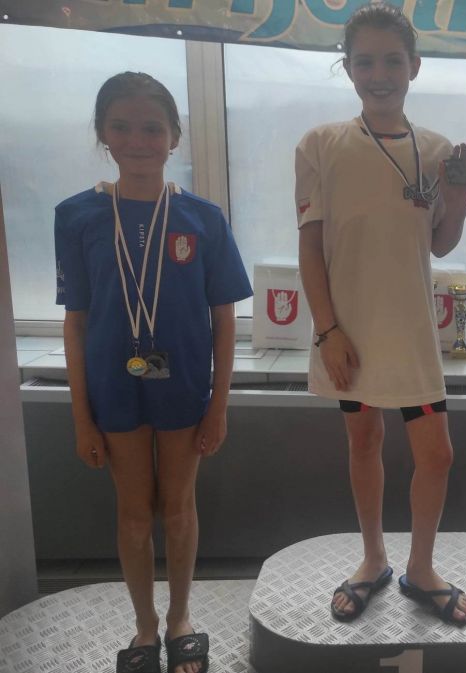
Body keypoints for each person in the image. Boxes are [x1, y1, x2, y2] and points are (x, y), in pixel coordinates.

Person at [55, 71, 252, 673]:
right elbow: (75, 323)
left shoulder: (204, 219)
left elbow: (224, 320)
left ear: (174, 137)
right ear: (102, 134)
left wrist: (219, 405)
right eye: (121, 127)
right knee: (134, 512)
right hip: (114, 390)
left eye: (151, 128)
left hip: (185, 387)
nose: (137, 141)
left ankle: (180, 619)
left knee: (180, 507)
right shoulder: (78, 215)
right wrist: (81, 418)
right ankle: (144, 626)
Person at [295, 3, 466, 626]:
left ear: (414, 67)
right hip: (349, 331)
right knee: (364, 440)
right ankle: (373, 559)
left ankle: (421, 569)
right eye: (366, 62)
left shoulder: (437, 149)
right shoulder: (321, 145)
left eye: (392, 61)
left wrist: (460, 200)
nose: (379, 75)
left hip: (411, 333)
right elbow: (310, 247)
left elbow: (439, 243)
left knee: (438, 455)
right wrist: (327, 330)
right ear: (347, 68)